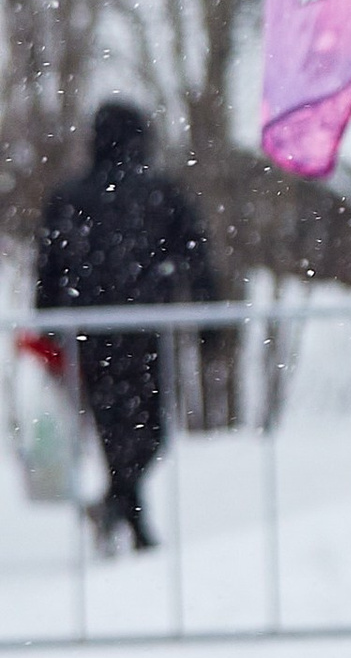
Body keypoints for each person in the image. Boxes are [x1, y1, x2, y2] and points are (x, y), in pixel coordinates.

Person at [36, 100, 223, 553]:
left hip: (103, 332)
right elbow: (195, 259)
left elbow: (47, 270)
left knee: (125, 432)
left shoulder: (75, 196)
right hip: (132, 331)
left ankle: (119, 508)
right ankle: (130, 519)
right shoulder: (156, 192)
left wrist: (45, 322)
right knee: (146, 432)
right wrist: (208, 318)